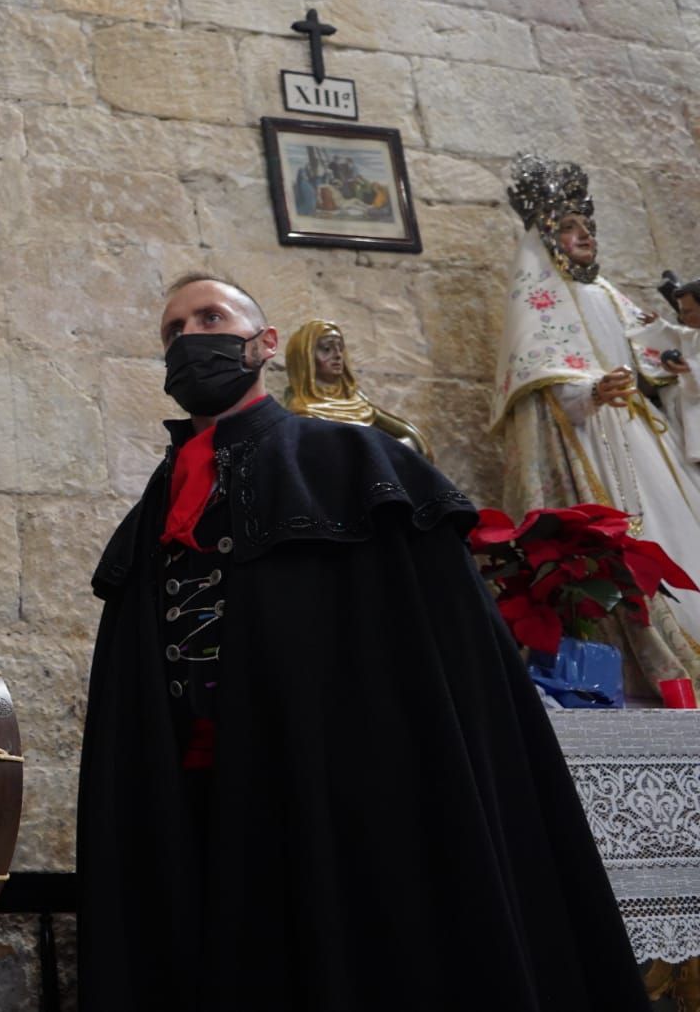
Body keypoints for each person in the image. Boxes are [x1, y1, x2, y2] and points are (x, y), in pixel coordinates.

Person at [77, 272, 649, 1011]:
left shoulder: (358, 465)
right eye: (173, 331)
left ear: (265, 343)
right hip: (202, 804)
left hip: (346, 796)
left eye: (210, 317)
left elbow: (443, 663)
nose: (190, 338)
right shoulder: (151, 509)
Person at [492, 154, 700, 690]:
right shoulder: (538, 300)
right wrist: (589, 390)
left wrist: (675, 362)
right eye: (569, 227)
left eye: (587, 227)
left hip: (637, 431)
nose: (584, 236)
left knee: (678, 530)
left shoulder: (605, 291)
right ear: (546, 236)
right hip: (594, 434)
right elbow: (540, 376)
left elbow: (655, 348)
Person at [281, 317, 431, 455]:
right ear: (305, 358)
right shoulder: (302, 412)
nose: (338, 355)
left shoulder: (358, 403)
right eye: (327, 349)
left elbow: (413, 437)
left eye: (340, 348)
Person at [627, 269, 700, 464]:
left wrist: (691, 369)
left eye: (687, 311)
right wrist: (659, 326)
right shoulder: (694, 334)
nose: (683, 317)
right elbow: (677, 335)